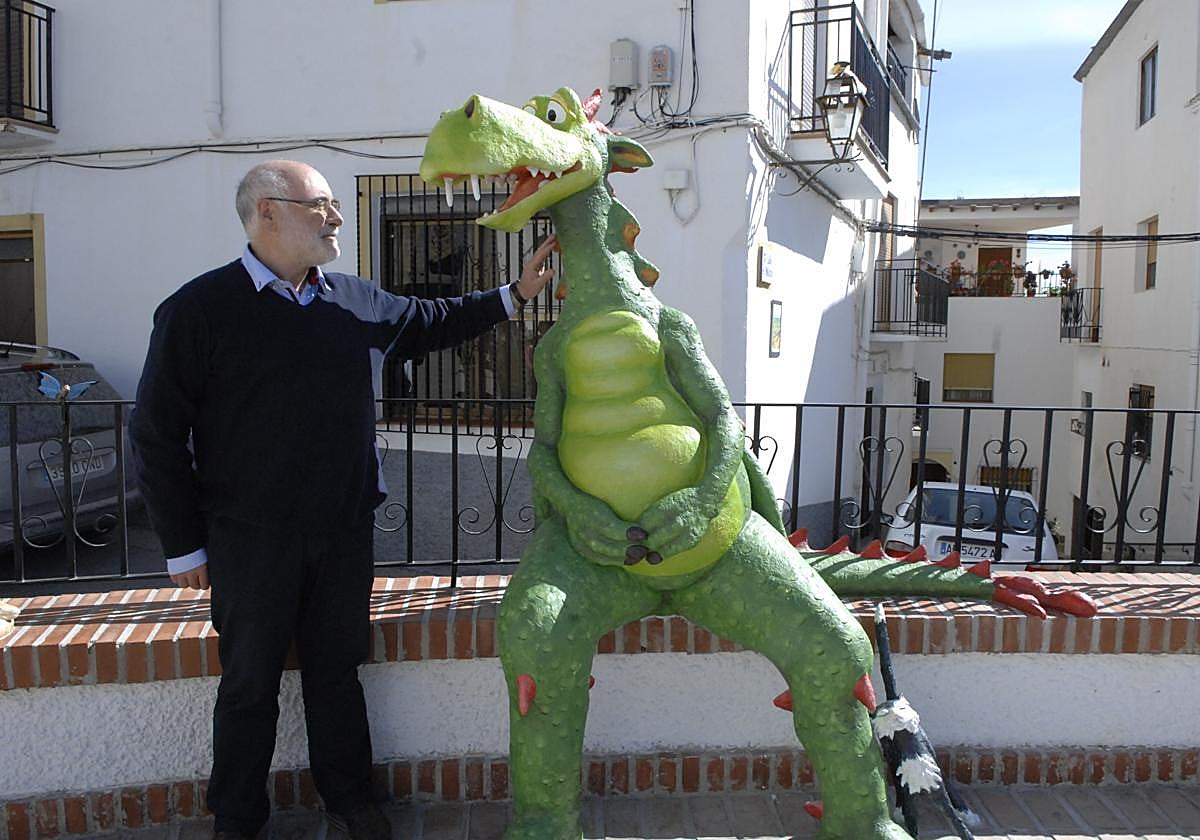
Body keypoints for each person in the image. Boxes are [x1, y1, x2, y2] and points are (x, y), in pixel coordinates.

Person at [130, 159, 557, 840]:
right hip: (249, 539)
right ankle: (237, 819)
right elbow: (155, 433)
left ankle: (352, 798)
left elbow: (427, 320)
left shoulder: (353, 299)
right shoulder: (198, 310)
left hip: (342, 531)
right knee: (249, 686)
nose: (334, 216)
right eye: (319, 203)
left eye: (334, 203)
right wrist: (184, 543)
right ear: (267, 212)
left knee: (336, 673)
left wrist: (512, 295)